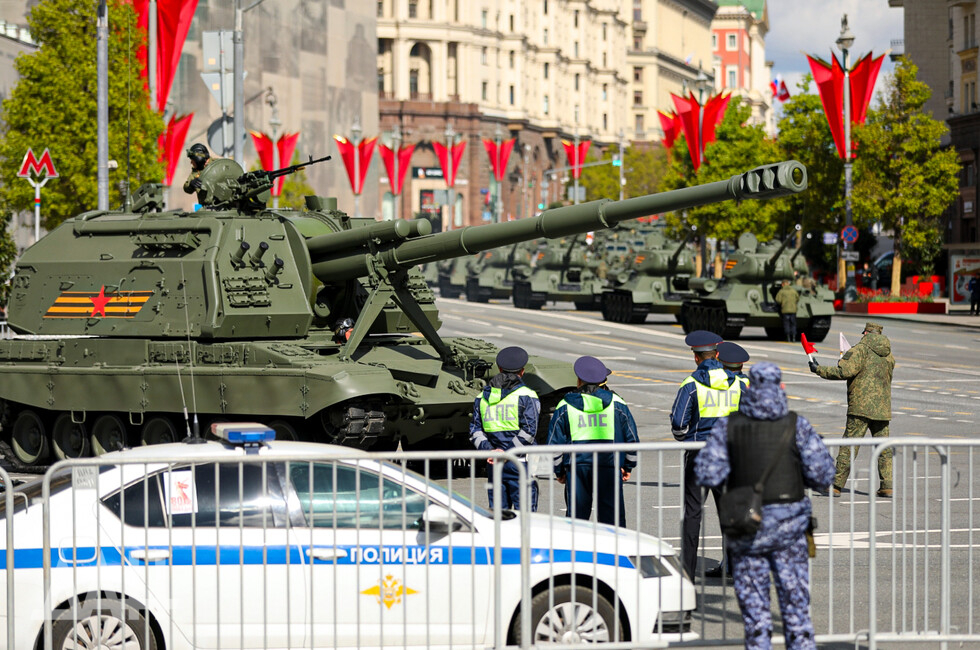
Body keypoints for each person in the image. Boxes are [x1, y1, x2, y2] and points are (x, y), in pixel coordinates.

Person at [695, 362, 835, 650]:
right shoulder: (797, 425)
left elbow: (707, 473)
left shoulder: (728, 426)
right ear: (780, 386)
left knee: (756, 619)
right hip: (790, 532)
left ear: (749, 388)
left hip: (747, 531)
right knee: (796, 614)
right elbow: (823, 476)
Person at [670, 330, 743, 580]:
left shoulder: (691, 384)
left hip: (700, 456)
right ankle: (734, 569)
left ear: (696, 357)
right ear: (718, 355)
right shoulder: (738, 382)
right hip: (729, 456)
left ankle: (687, 573)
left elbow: (679, 426)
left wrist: (690, 439)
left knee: (692, 514)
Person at [548, 356, 638, 527]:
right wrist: (627, 467)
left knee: (576, 521)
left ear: (579, 380)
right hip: (609, 466)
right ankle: (615, 553)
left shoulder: (565, 405)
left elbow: (554, 443)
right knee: (613, 521)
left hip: (577, 469)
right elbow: (632, 438)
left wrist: (559, 471)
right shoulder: (617, 403)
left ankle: (577, 554)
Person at [810, 322, 895, 497]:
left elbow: (844, 372)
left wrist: (819, 369)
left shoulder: (860, 349)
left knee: (850, 445)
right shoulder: (888, 355)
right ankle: (887, 486)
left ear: (865, 332)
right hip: (882, 408)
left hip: (860, 407)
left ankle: (836, 485)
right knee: (883, 447)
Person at [470, 346, 541, 510]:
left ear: (500, 369)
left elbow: (475, 431)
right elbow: (529, 431)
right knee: (527, 518)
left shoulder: (481, 397)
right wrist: (508, 453)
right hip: (520, 463)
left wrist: (491, 451)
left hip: (494, 463)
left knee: (498, 517)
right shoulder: (527, 396)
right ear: (522, 372)